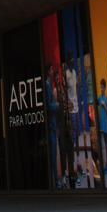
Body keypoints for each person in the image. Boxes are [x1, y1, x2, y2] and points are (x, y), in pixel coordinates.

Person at [65, 51, 83, 186]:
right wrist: (68, 105)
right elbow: (66, 92)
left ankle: (78, 163)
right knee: (71, 139)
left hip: (76, 109)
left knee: (77, 138)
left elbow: (76, 89)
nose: (72, 60)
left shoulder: (75, 73)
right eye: (71, 59)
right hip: (71, 111)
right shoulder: (66, 74)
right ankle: (71, 170)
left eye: (73, 58)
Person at [45, 62, 62, 189]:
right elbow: (49, 105)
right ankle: (54, 182)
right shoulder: (47, 85)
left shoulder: (49, 85)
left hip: (53, 124)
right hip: (51, 123)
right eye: (51, 70)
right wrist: (57, 105)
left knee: (54, 154)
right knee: (53, 154)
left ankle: (55, 181)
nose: (53, 72)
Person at [97, 78, 107, 177]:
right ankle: (106, 164)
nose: (101, 89)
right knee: (105, 145)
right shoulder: (99, 97)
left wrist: (105, 106)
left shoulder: (106, 99)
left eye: (102, 87)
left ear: (105, 88)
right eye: (100, 87)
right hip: (102, 124)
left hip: (106, 124)